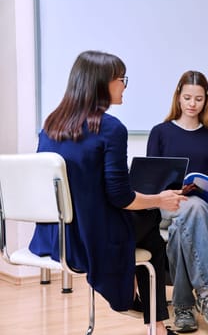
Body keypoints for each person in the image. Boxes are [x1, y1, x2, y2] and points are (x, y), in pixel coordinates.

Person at [28, 50, 183, 335]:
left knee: (143, 225)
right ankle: (154, 320)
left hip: (55, 238)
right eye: (121, 79)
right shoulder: (110, 128)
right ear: (102, 83)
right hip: (89, 241)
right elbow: (120, 197)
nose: (124, 86)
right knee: (150, 224)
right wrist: (160, 199)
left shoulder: (50, 125)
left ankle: (136, 297)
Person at [146, 70, 208, 332]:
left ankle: (183, 307)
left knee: (187, 220)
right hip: (167, 207)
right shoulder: (160, 132)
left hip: (200, 206)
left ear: (206, 100)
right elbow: (150, 180)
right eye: (187, 98)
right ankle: (206, 293)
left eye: (198, 99)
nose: (193, 104)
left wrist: (201, 188)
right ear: (178, 98)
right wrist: (174, 192)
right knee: (186, 216)